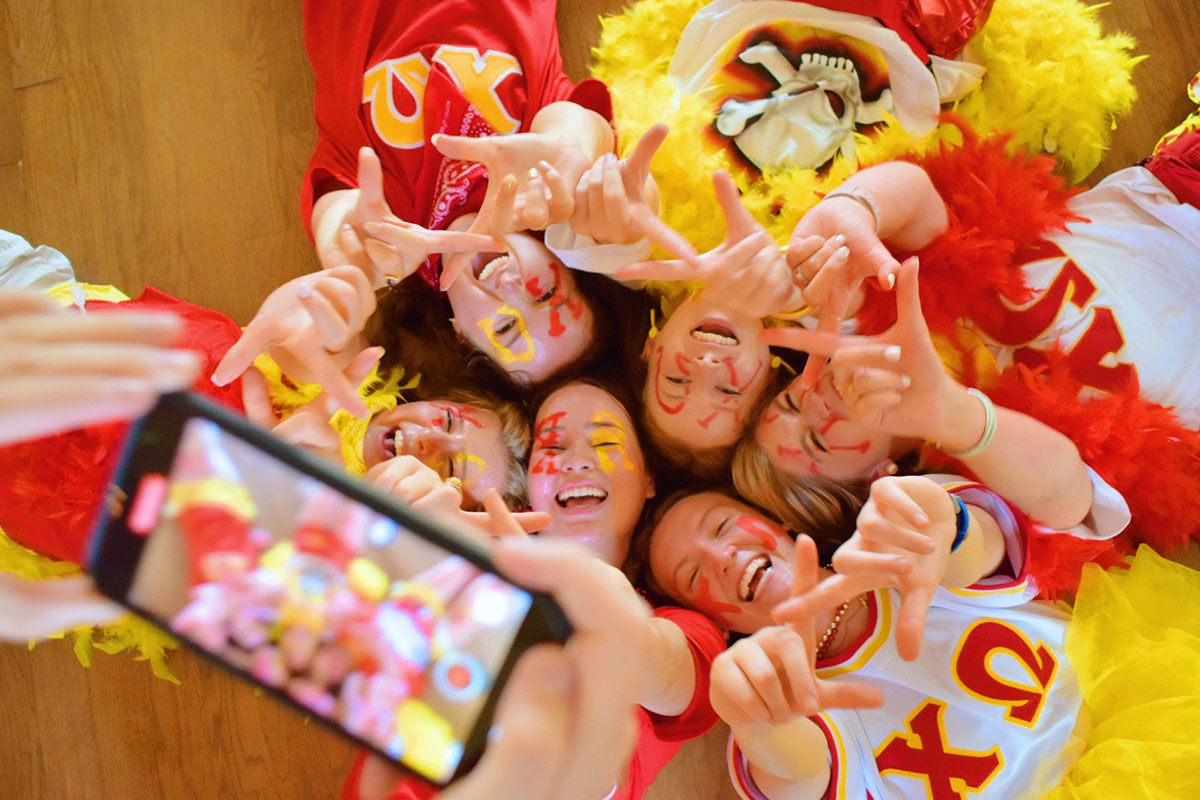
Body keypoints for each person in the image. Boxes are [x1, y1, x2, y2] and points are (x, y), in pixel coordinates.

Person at [733, 117, 1200, 578]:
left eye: (793, 401)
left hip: (1173, 193)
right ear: (878, 476)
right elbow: (1071, 496)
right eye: (816, 439)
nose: (815, 405)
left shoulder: (861, 318)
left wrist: (854, 208)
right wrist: (951, 414)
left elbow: (917, 196)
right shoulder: (980, 485)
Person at [642, 477, 1200, 799]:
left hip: (1146, 717)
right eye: (693, 576)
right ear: (716, 623)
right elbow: (795, 769)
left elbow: (970, 545)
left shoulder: (890, 539)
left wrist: (947, 525)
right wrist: (756, 718)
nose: (722, 557)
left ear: (782, 524)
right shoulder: (779, 706)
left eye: (721, 526)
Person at [354, 378, 730, 800]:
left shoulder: (684, 625)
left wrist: (604, 629)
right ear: (527, 497)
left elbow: (676, 671)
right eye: (551, 448)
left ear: (648, 478)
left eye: (605, 443)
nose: (576, 462)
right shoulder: (448, 588)